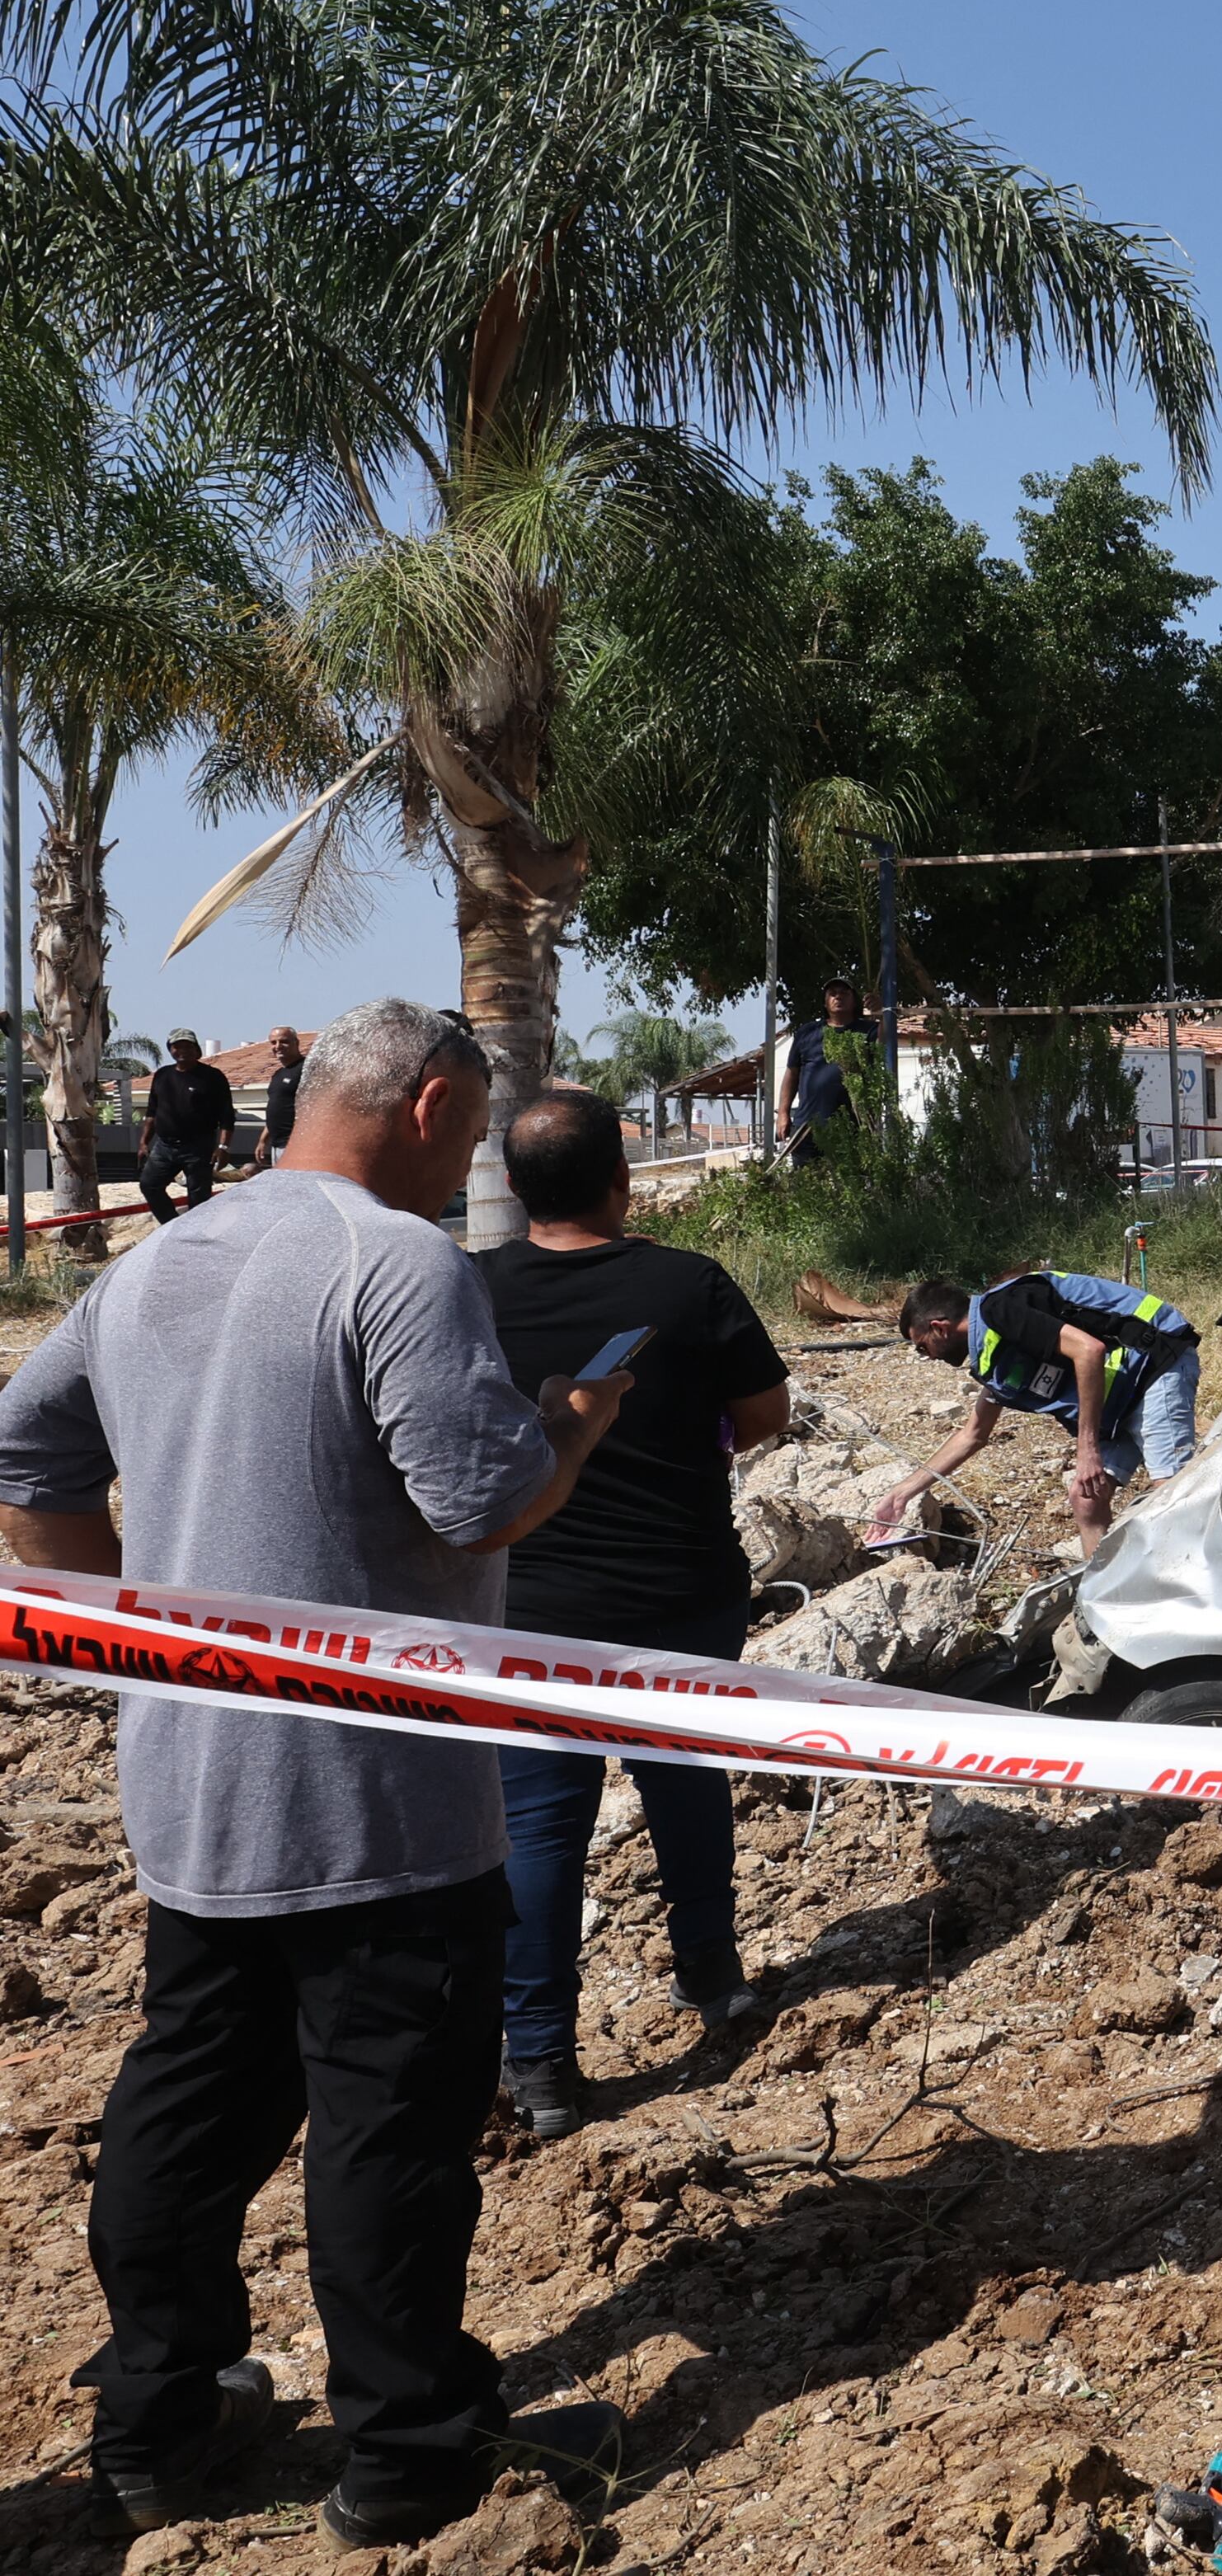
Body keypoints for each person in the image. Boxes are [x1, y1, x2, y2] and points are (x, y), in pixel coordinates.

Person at [0, 998, 630, 2546]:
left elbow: (25, 1450)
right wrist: (577, 1432)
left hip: (195, 1792)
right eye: (471, 1134)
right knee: (389, 2121)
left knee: (189, 2105)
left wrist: (134, 1633)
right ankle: (409, 2448)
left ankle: (156, 2415)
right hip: (383, 1808)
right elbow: (480, 1498)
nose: (470, 1163)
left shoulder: (154, 1264)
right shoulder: (394, 1260)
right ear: (426, 1107)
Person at [475, 1088, 792, 2141]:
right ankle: (712, 1979)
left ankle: (541, 2064)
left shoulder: (466, 1292)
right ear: (622, 1176)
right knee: (687, 1785)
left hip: (524, 1607)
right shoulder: (687, 1284)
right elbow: (763, 1417)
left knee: (538, 1830)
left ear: (513, 1187)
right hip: (679, 1592)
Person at [880, 1268, 1206, 1551]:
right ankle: (1103, 1598)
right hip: (1122, 1396)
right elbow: (972, 1435)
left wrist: (1087, 1449)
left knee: (1172, 1493)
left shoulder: (1002, 1309)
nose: (928, 1356)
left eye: (923, 1347)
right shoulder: (991, 1351)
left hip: (1155, 1363)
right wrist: (902, 1494)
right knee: (1087, 1500)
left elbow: (1089, 1351)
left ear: (939, 1327)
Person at [137, 1032, 236, 1223]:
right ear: (170, 1050)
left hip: (198, 1148)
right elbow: (151, 1112)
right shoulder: (162, 1075)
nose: (182, 1051)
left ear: (196, 1049)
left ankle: (195, 1237)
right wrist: (143, 1142)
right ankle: (173, 1226)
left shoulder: (212, 1077)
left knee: (199, 1199)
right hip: (164, 1146)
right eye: (177, 1047)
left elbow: (227, 1116)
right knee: (150, 1185)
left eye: (187, 1046)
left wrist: (223, 1147)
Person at [780, 975, 870, 1164]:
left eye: (844, 993)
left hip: (852, 1127)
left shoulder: (868, 1031)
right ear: (825, 1001)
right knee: (806, 1187)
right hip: (808, 1127)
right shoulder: (807, 1033)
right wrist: (783, 1114)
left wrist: (882, 1011)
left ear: (855, 1000)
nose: (838, 997)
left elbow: (887, 1039)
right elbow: (792, 1074)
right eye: (833, 994)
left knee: (851, 1187)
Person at [252, 1027, 306, 1169]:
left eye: (284, 1042)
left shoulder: (306, 1070)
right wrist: (263, 1141)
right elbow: (276, 1109)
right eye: (273, 1042)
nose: (278, 1046)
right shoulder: (278, 1075)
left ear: (296, 1043)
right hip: (277, 1145)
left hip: (296, 1145)